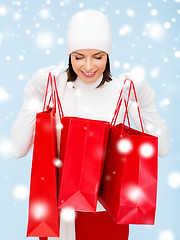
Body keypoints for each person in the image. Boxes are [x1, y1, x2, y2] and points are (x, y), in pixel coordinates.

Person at [10, 9, 170, 240]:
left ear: (108, 55)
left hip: (105, 214)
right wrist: (31, 96)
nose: (88, 66)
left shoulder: (121, 91)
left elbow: (162, 149)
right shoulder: (54, 88)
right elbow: (16, 149)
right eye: (78, 57)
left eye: (98, 56)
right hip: (59, 214)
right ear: (69, 55)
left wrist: (146, 103)